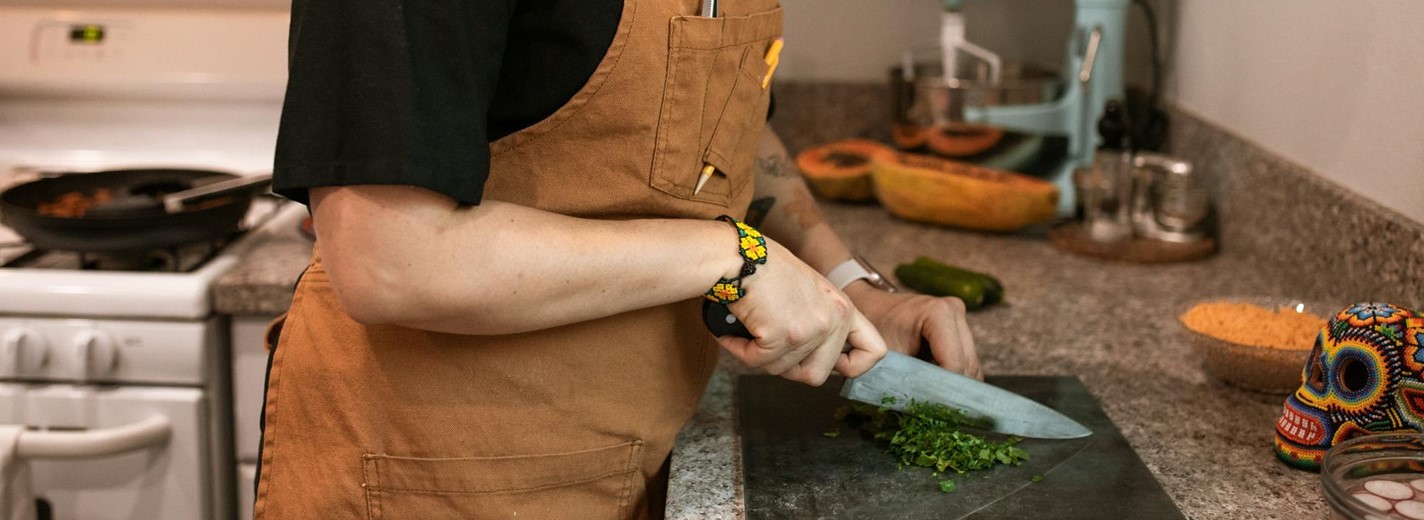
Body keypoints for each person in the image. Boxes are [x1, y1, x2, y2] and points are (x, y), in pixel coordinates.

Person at [253, 0, 980, 518]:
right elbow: (393, 260)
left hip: (633, 455)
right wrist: (732, 255)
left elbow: (725, 132)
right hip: (430, 478)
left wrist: (849, 286)